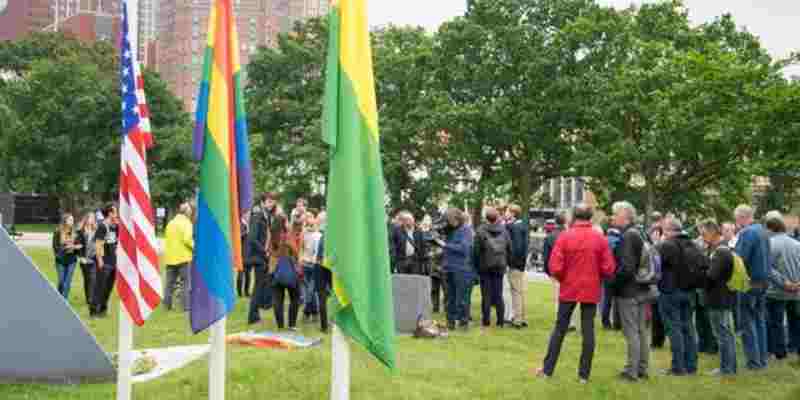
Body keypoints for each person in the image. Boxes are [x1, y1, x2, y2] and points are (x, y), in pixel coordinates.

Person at [536, 204, 615, 382]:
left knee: (560, 329)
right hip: (590, 287)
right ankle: (583, 375)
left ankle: (548, 370)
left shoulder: (565, 236)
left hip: (569, 287)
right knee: (588, 331)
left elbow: (554, 266)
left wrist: (565, 278)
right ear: (591, 217)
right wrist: (596, 276)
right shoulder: (599, 238)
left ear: (574, 216)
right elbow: (609, 267)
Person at [656, 217, 703, 376]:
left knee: (674, 329)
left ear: (669, 230)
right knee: (688, 328)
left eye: (664, 230)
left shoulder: (667, 245)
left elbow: (656, 264)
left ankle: (678, 367)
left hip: (670, 292)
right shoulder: (693, 245)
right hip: (689, 292)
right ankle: (691, 365)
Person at [610, 201, 650, 382]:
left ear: (625, 216)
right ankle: (642, 368)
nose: (612, 217)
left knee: (632, 331)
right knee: (641, 330)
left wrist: (612, 282)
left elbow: (627, 268)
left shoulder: (627, 236)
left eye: (615, 214)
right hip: (642, 288)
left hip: (629, 290)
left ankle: (631, 371)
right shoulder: (640, 232)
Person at [734, 204, 771, 370]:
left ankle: (754, 362)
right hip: (764, 281)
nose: (736, 223)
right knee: (760, 320)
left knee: (747, 322)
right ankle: (762, 358)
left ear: (742, 217)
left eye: (737, 219)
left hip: (749, 283)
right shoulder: (763, 231)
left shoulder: (747, 232)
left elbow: (740, 259)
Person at [700, 219, 738, 376]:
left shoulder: (721, 251)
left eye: (703, 233)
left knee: (723, 334)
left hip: (720, 298)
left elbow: (712, 275)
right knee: (723, 334)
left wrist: (700, 274)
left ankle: (727, 368)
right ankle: (727, 367)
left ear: (712, 232)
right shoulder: (717, 249)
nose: (702, 237)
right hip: (719, 297)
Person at [763, 211, 800, 362]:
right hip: (797, 290)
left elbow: (769, 269)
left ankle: (779, 352)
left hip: (776, 291)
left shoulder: (770, 244)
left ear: (770, 229)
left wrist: (784, 283)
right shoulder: (797, 244)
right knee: (795, 320)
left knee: (776, 323)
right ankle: (795, 347)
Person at [433, 208, 474, 331]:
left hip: (461, 269)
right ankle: (450, 322)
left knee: (462, 298)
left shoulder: (465, 230)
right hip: (448, 268)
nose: (448, 223)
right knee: (449, 298)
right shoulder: (450, 231)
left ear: (457, 219)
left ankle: (463, 323)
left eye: (450, 220)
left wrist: (445, 245)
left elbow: (464, 249)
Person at [473, 207, 512, 329]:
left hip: (485, 267)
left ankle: (486, 321)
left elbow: (476, 252)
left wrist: (478, 265)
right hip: (499, 266)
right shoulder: (504, 231)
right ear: (497, 218)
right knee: (498, 295)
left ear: (486, 218)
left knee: (486, 295)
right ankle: (500, 321)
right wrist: (506, 263)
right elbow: (510, 249)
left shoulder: (480, 231)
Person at [247, 193, 279, 325]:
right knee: (258, 287)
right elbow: (252, 239)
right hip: (258, 257)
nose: (272, 204)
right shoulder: (257, 215)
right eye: (269, 201)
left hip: (264, 257)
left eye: (273, 202)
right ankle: (252, 316)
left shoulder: (267, 216)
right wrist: (264, 251)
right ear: (263, 202)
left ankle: (257, 313)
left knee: (261, 286)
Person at [544, 212, 577, 330]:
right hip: (570, 270)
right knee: (571, 297)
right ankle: (571, 321)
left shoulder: (550, 236)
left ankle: (562, 321)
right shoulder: (571, 234)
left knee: (559, 297)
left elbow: (546, 257)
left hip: (556, 271)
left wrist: (548, 272)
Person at [270, 217, 303, 331]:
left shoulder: (272, 236)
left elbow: (269, 251)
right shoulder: (287, 236)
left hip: (275, 271)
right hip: (290, 270)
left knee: (277, 299)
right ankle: (291, 324)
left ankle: (280, 325)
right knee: (294, 298)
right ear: (284, 223)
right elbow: (295, 251)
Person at [163, 202, 194, 312]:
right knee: (186, 283)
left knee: (169, 284)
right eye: (190, 212)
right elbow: (187, 239)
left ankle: (167, 305)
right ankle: (186, 306)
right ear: (187, 212)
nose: (190, 214)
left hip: (170, 258)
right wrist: (195, 248)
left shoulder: (170, 223)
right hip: (184, 258)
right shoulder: (187, 223)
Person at [92, 204, 118, 317]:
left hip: (113, 262)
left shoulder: (114, 226)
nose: (117, 214)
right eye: (115, 211)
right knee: (100, 287)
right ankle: (94, 310)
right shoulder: (102, 226)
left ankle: (103, 309)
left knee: (108, 287)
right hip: (104, 261)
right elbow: (98, 244)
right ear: (110, 213)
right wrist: (100, 260)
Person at [506, 204, 530, 328]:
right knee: (520, 291)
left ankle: (517, 319)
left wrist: (511, 262)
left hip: (516, 264)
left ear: (513, 213)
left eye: (507, 211)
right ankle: (522, 317)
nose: (506, 213)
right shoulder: (523, 225)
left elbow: (517, 248)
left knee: (516, 292)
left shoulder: (515, 227)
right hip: (521, 264)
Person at [52, 213, 81, 299]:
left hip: (72, 260)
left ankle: (64, 299)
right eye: (70, 220)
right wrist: (64, 248)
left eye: (72, 220)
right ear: (65, 221)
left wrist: (75, 247)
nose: (72, 221)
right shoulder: (58, 231)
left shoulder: (75, 232)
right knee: (61, 281)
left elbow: (79, 244)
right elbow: (55, 246)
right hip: (60, 260)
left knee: (67, 281)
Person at [302, 216, 322, 322]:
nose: (309, 227)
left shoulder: (317, 236)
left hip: (312, 265)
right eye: (308, 225)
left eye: (311, 225)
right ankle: (314, 313)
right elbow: (302, 248)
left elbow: (316, 252)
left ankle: (307, 312)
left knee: (310, 291)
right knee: (309, 290)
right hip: (306, 265)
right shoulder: (305, 235)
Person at [76, 212, 98, 307]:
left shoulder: (96, 230)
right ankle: (88, 298)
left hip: (93, 258)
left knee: (92, 278)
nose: (91, 220)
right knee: (87, 279)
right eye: (89, 218)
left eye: (93, 218)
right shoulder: (81, 231)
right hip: (84, 259)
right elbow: (78, 245)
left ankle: (91, 299)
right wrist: (81, 258)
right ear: (86, 219)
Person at [237, 213, 252, 297]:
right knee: (240, 274)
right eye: (246, 214)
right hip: (241, 253)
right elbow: (239, 237)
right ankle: (240, 293)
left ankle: (246, 291)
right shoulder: (240, 224)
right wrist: (246, 232)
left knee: (248, 274)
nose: (248, 216)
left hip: (249, 253)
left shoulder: (250, 224)